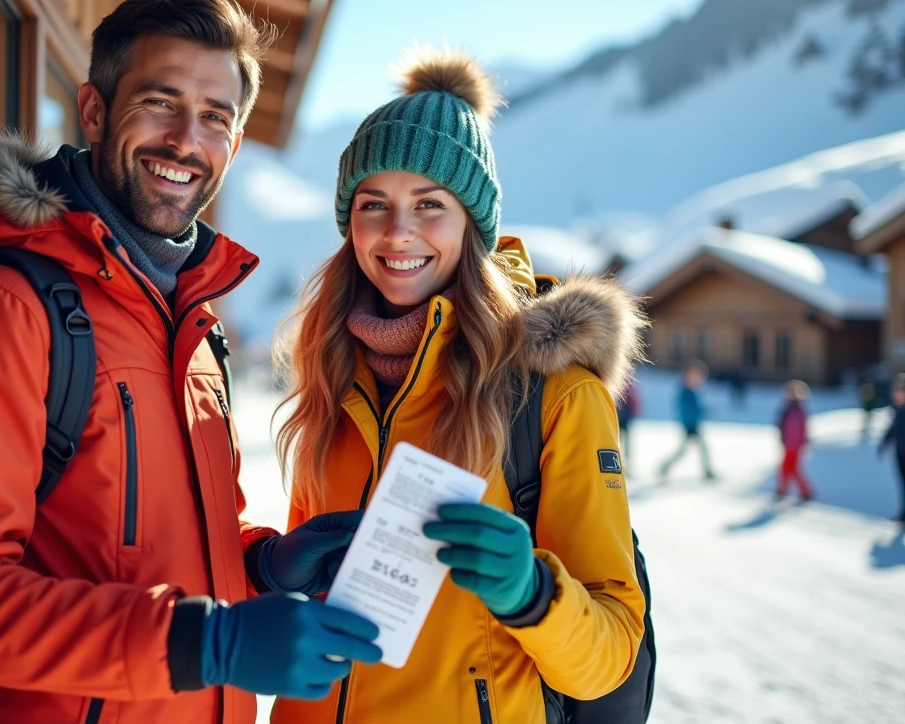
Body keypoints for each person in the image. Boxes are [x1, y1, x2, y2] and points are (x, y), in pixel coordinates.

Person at [0, 0, 381, 724]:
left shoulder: (191, 322)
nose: (187, 140)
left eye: (215, 116)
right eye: (161, 102)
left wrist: (262, 568)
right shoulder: (7, 309)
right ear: (93, 112)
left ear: (235, 144)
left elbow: (159, 553)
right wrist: (209, 643)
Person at [271, 47, 647, 724]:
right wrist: (277, 574)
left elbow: (611, 650)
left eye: (430, 204)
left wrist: (532, 594)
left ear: (474, 223)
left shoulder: (551, 392)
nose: (398, 232)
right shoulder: (332, 372)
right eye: (373, 203)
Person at [658, 360, 715, 481]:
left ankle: (707, 470)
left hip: (693, 425)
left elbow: (696, 408)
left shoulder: (692, 392)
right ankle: (664, 467)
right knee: (683, 451)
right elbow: (686, 410)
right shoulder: (684, 392)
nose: (696, 379)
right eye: (693, 376)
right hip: (688, 426)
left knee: (698, 448)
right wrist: (691, 421)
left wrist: (703, 411)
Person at [775, 380, 814, 502]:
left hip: (796, 444)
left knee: (792, 468)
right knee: (785, 468)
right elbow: (781, 425)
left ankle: (805, 491)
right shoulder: (786, 409)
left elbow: (803, 427)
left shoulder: (799, 410)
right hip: (788, 442)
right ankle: (783, 489)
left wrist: (805, 440)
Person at [878, 374, 905, 522]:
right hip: (900, 451)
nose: (896, 395)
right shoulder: (896, 409)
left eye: (899, 392)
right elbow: (892, 429)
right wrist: (883, 443)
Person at [617, 382, 640, 462]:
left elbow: (634, 404)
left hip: (623, 418)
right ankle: (621, 458)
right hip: (621, 418)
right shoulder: (629, 390)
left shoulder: (627, 389)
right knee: (620, 439)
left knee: (623, 439)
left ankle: (625, 459)